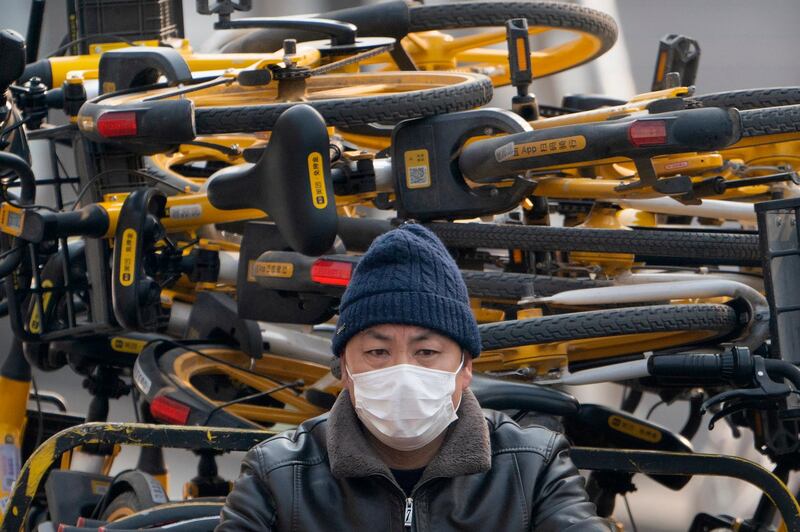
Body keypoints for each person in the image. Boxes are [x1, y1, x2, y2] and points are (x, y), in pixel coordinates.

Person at [217, 223, 609, 531]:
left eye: (426, 352)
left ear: (465, 367)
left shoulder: (532, 467)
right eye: (377, 352)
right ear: (345, 371)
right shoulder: (280, 472)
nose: (402, 371)